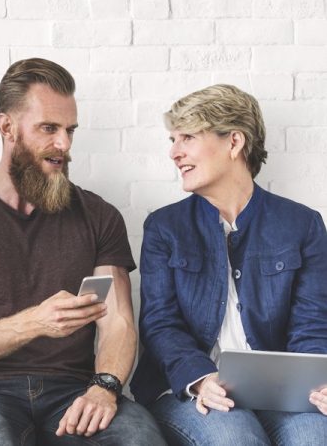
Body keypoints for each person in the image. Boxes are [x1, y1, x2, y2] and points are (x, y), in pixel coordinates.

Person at [0, 58, 164, 445]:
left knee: (140, 439)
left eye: (69, 130)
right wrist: (36, 322)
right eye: (49, 128)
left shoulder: (99, 216)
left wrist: (105, 387)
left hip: (74, 391)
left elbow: (118, 324)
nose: (63, 144)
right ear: (7, 127)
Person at [133, 84, 327, 445]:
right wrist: (201, 378)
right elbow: (160, 324)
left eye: (187, 137)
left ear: (234, 142)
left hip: (280, 395)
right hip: (189, 390)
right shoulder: (164, 227)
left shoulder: (303, 224)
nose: (175, 152)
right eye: (173, 140)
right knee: (238, 439)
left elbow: (312, 323)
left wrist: (317, 383)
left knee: (316, 438)